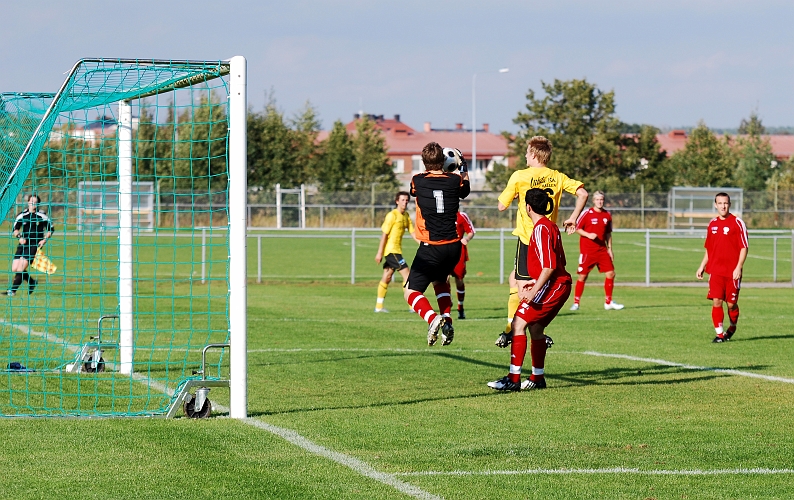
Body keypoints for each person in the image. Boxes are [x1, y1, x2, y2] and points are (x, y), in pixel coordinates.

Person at [495, 136, 587, 348]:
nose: (525, 156)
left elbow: (501, 206)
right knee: (518, 280)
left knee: (523, 289)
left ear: (534, 155)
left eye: (527, 152)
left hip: (528, 241)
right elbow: (583, 193)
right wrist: (573, 218)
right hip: (547, 238)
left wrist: (516, 196)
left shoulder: (519, 176)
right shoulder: (557, 176)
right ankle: (525, 329)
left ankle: (522, 331)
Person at [488, 188, 571, 391]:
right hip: (558, 284)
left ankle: (513, 379)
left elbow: (550, 266)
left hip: (555, 285)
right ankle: (537, 378)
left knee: (518, 323)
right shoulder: (549, 226)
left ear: (527, 207)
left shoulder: (541, 229)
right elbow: (558, 262)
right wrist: (533, 282)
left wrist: (532, 292)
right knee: (535, 328)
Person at [403, 142, 470, 346]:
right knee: (440, 281)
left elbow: (415, 192)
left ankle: (433, 319)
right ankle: (448, 320)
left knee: (410, 291)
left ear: (424, 162)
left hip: (431, 246)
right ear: (444, 161)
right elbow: (465, 189)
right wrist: (463, 165)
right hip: (453, 246)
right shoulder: (455, 180)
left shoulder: (417, 181)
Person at [696, 192, 748, 343]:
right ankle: (719, 335)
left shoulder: (738, 223)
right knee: (716, 301)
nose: (723, 206)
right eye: (720, 203)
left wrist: (739, 267)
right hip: (716, 271)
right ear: (715, 205)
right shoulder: (712, 224)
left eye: (725, 203)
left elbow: (744, 247)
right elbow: (709, 249)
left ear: (729, 204)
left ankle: (732, 327)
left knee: (731, 304)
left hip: (732, 272)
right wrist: (701, 266)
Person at [570, 190, 624, 311]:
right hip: (588, 251)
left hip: (602, 250)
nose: (600, 202)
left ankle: (608, 302)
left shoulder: (607, 215)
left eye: (602, 200)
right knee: (582, 276)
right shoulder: (587, 213)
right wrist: (588, 235)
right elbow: (577, 228)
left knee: (611, 273)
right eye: (598, 200)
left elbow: (608, 234)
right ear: (593, 201)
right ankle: (576, 303)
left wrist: (610, 249)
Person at [374, 191, 419, 313]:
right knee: (408, 276)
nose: (405, 202)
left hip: (396, 251)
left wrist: (422, 244)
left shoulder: (406, 216)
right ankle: (412, 306)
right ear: (397, 201)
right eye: (402, 200)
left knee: (387, 277)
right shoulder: (392, 215)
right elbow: (384, 235)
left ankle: (378, 307)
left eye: (406, 200)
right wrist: (379, 252)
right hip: (391, 251)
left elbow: (413, 233)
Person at [7, 194, 54, 296]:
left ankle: (12, 291)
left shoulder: (42, 215)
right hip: (23, 244)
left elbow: (50, 229)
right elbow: (15, 229)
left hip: (34, 245)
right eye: (32, 202)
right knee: (14, 268)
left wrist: (44, 240)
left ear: (38, 204)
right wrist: (20, 237)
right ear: (28, 202)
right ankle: (32, 282)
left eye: (36, 202)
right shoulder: (22, 215)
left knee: (20, 268)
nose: (33, 204)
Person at [451, 211, 475, 319]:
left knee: (459, 280)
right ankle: (446, 306)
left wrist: (466, 238)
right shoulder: (442, 214)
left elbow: (471, 231)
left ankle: (460, 307)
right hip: (443, 250)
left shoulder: (461, 216)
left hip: (459, 252)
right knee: (442, 279)